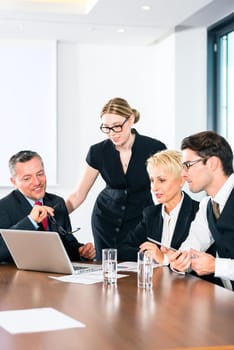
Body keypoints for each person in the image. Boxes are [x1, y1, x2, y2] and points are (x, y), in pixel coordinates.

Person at [66, 97, 166, 260]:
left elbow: (168, 187)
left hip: (140, 221)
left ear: (131, 120)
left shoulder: (154, 148)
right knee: (106, 270)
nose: (112, 134)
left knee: (137, 271)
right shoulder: (98, 151)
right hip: (105, 219)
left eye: (117, 127)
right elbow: (78, 194)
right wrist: (52, 218)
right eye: (107, 128)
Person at [164, 131, 234, 291]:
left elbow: (216, 266)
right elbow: (191, 248)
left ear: (213, 163)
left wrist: (217, 266)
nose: (183, 173)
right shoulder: (207, 205)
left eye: (188, 165)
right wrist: (178, 261)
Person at [0, 150, 96, 263]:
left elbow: (68, 243)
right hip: (20, 277)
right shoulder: (4, 207)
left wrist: (81, 251)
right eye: (27, 178)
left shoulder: (57, 202)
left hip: (55, 275)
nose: (37, 182)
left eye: (40, 174)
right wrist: (31, 221)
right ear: (14, 182)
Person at [118, 150, 199, 263]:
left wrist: (163, 258)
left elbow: (200, 262)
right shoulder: (151, 213)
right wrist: (150, 255)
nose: (154, 187)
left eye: (162, 180)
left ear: (181, 180)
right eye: (152, 180)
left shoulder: (199, 212)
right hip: (158, 278)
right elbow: (123, 249)